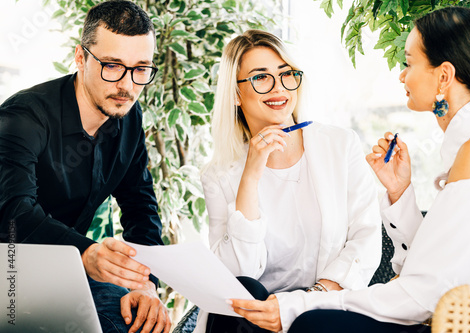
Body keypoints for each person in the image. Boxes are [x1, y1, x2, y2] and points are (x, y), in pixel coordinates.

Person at [224, 6, 470, 333]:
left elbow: (418, 293)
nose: (401, 75)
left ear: (443, 76)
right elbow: (424, 270)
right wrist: (400, 193)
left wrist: (300, 303)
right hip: (429, 311)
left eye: (408, 63)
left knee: (314, 324)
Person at [0, 1, 170, 332]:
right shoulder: (23, 117)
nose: (127, 85)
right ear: (80, 58)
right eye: (112, 66)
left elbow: (140, 206)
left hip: (65, 274)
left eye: (141, 68)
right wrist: (85, 253)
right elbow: (12, 213)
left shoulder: (128, 116)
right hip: (9, 270)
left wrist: (144, 282)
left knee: (142, 319)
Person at [196, 29, 382, 332]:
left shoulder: (340, 144)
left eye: (286, 74)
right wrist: (251, 174)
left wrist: (311, 299)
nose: (279, 88)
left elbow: (367, 238)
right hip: (255, 318)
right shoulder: (218, 174)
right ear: (235, 94)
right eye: (261, 77)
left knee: (310, 322)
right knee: (244, 291)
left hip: (324, 306)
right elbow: (235, 274)